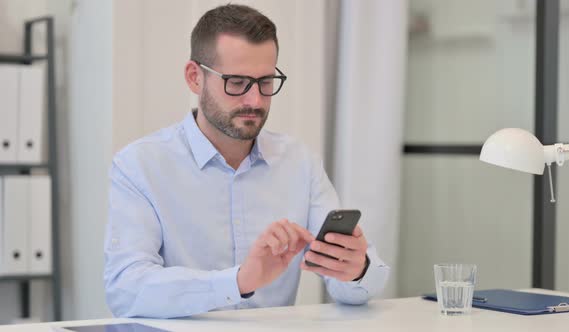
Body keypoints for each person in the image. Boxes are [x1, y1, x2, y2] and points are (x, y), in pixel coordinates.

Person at [104, 4, 389, 318]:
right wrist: (238, 281)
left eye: (266, 82)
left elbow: (355, 287)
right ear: (194, 77)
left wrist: (356, 269)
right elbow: (126, 289)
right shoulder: (140, 165)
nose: (254, 101)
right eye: (237, 83)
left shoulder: (299, 163)